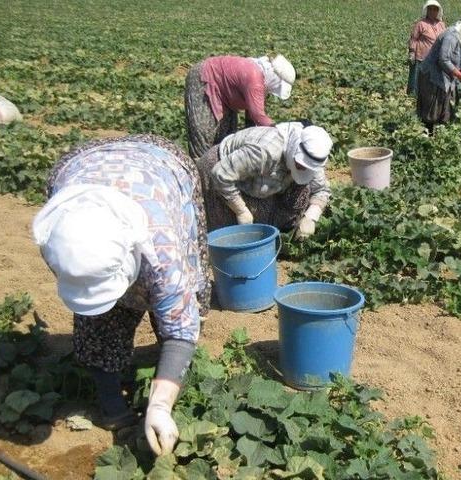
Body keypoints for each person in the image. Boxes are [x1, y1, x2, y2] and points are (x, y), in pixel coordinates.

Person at [32, 135, 211, 456]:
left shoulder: (163, 247)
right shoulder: (56, 232)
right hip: (81, 165)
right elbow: (86, 280)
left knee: (174, 306)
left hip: (162, 167)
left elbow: (181, 324)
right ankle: (112, 405)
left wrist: (159, 406)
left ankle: (168, 376)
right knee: (97, 321)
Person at [195, 122, 333, 238]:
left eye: (307, 167)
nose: (303, 169)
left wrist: (311, 217)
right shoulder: (267, 151)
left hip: (260, 179)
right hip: (220, 170)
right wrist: (240, 210)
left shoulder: (313, 158)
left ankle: (280, 229)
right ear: (294, 149)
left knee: (301, 192)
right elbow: (221, 174)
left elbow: (321, 189)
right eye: (300, 164)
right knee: (231, 233)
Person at [184, 54, 296, 158]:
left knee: (226, 138)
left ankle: (218, 166)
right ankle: (199, 168)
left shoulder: (260, 79)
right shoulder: (254, 78)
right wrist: (280, 134)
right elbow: (258, 115)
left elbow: (252, 115)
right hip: (205, 78)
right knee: (204, 137)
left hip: (225, 96)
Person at [416, 11, 461, 132]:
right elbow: (443, 60)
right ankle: (427, 134)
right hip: (432, 75)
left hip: (447, 75)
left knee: (446, 106)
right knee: (432, 108)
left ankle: (440, 134)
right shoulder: (451, 36)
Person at [407, 0, 446, 96]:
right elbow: (414, 38)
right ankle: (412, 95)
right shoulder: (421, 24)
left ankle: (426, 96)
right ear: (427, 10)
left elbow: (445, 39)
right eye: (430, 9)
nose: (432, 11)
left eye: (435, 9)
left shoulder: (441, 24)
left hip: (435, 58)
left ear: (438, 11)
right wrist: (412, 52)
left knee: (430, 80)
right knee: (416, 78)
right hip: (421, 57)